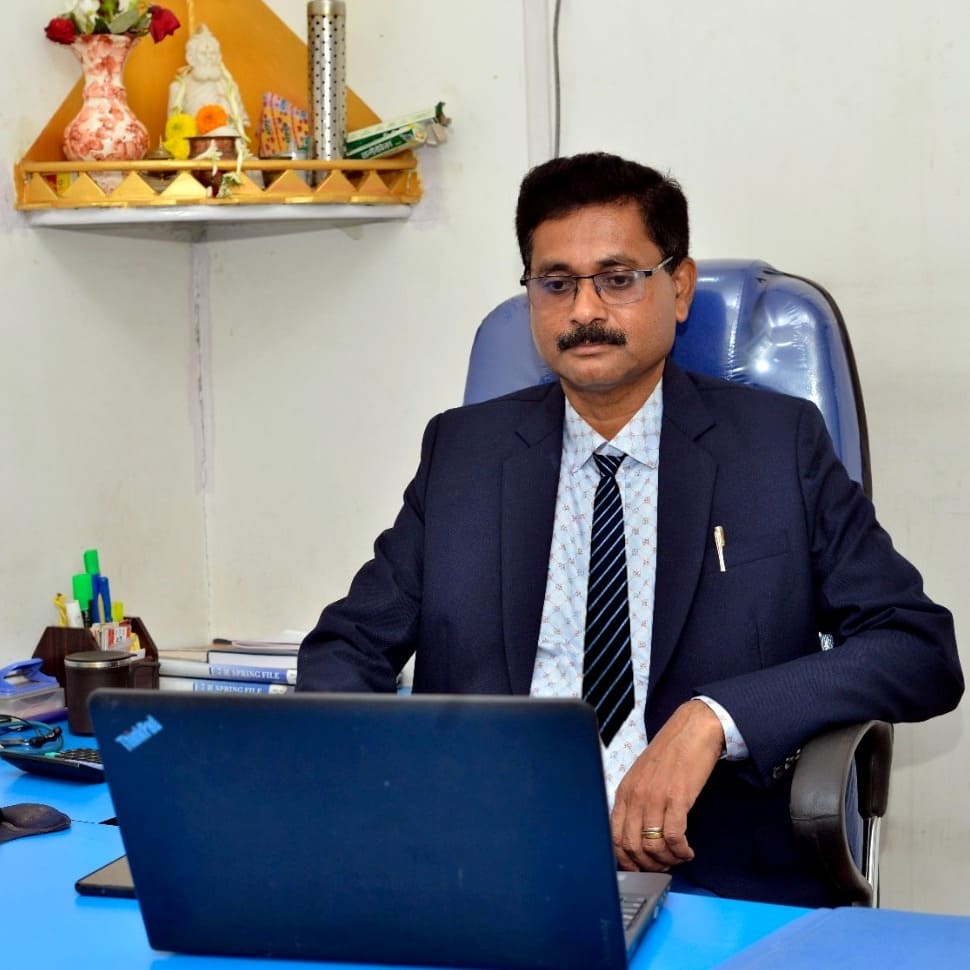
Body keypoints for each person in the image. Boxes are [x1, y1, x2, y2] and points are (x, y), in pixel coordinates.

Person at [297, 152, 962, 907]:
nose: (585, 310)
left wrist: (716, 719)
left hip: (712, 877)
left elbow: (917, 649)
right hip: (483, 873)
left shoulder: (776, 446)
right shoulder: (464, 453)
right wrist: (388, 788)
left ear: (680, 287)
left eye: (617, 279)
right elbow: (346, 647)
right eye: (556, 283)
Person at [167, 24, 248, 136]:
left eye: (213, 53)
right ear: (191, 58)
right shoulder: (178, 89)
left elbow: (240, 123)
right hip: (193, 145)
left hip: (225, 143)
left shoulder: (229, 87)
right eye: (203, 53)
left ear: (219, 57)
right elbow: (174, 130)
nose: (209, 57)